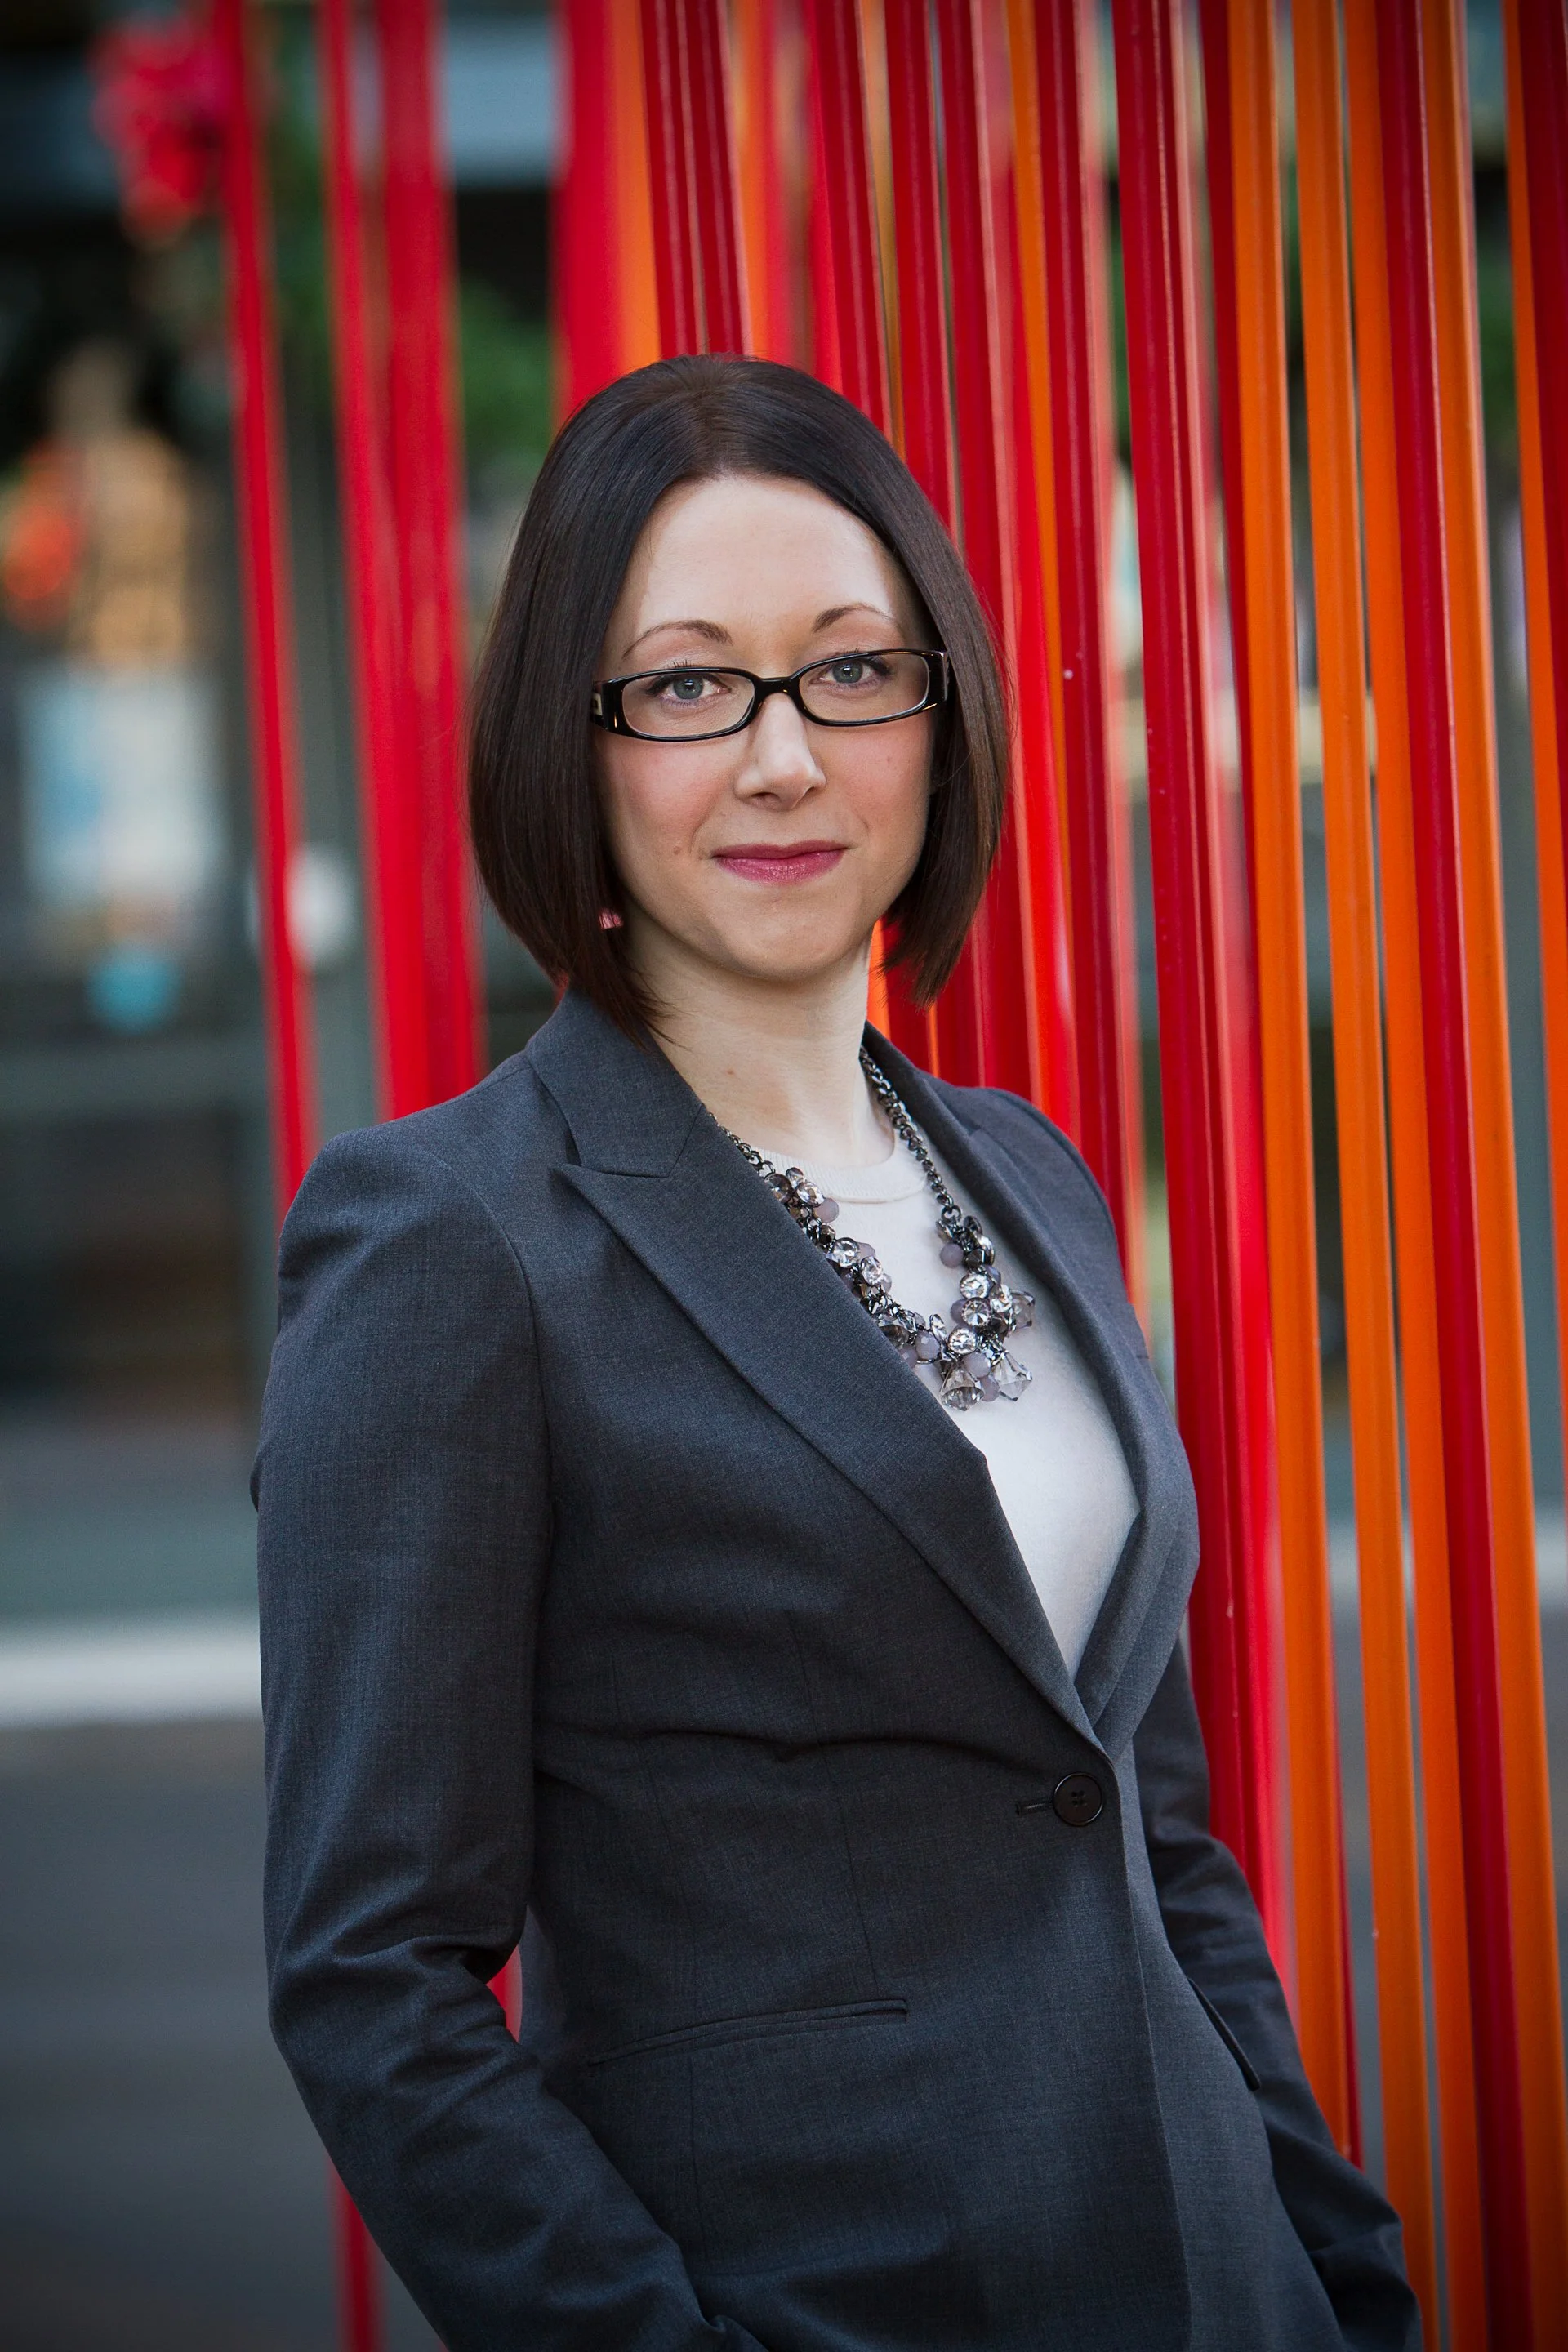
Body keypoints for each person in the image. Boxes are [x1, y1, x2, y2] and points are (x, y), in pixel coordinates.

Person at [256, 355, 1419, 2351]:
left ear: (939, 712)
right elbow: (373, 1973)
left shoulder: (1035, 1181)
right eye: (692, 684)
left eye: (852, 672)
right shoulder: (450, 1239)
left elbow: (1144, 1829)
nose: (784, 758)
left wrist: (1339, 2268)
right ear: (579, 741)